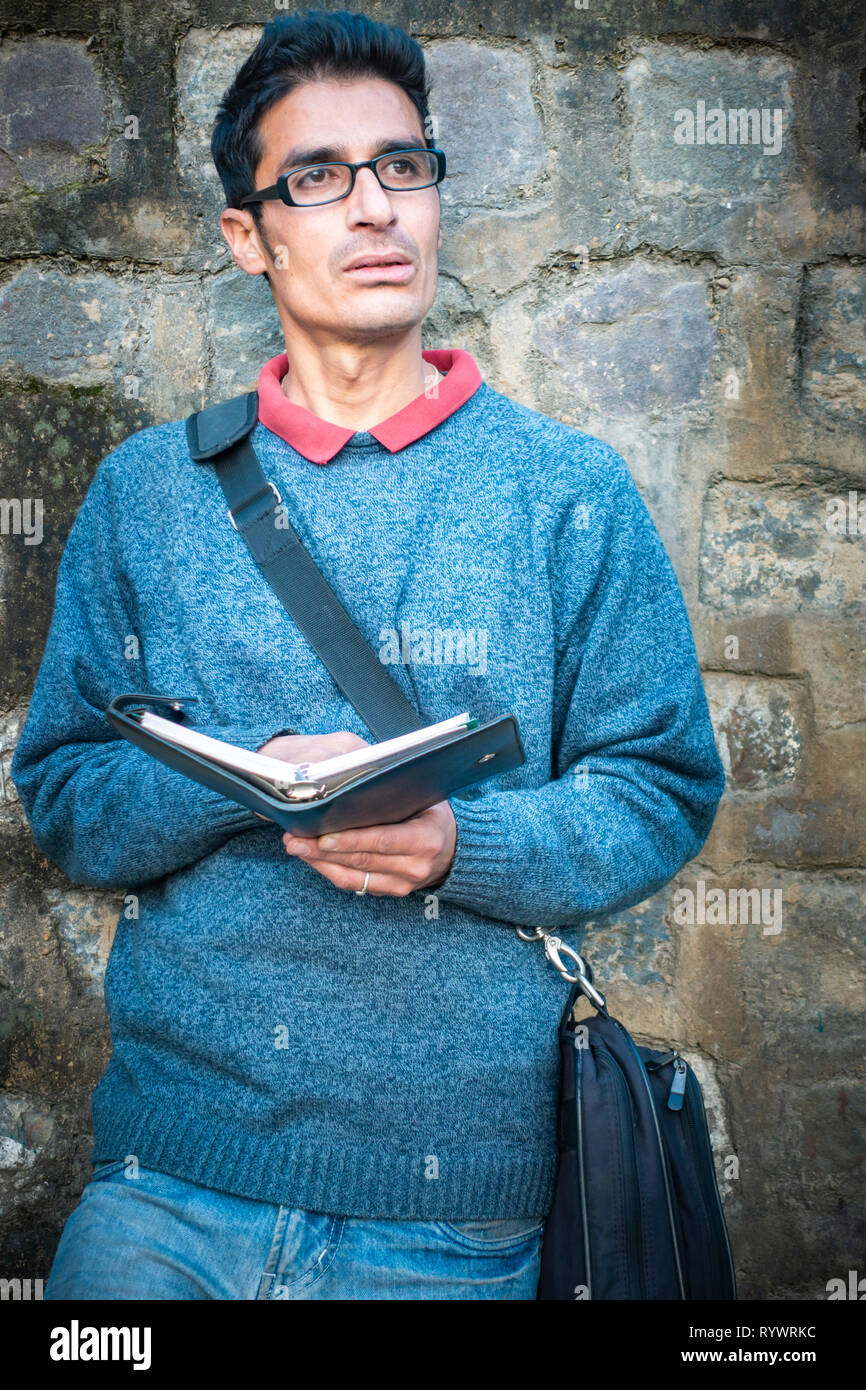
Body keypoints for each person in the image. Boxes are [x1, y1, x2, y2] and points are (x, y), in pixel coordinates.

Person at [11, 8, 725, 1300]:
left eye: (402, 166)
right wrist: (245, 775)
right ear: (249, 236)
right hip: (167, 1191)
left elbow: (662, 786)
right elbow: (65, 794)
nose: (375, 207)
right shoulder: (146, 493)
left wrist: (460, 845)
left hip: (453, 1224)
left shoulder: (569, 492)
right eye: (318, 178)